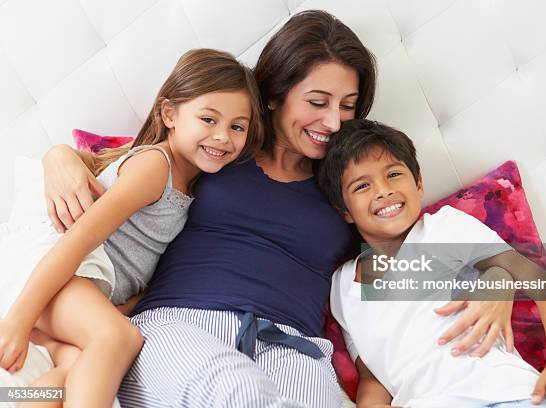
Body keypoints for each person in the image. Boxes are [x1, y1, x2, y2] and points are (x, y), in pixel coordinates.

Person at [40, 11, 521, 408]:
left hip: (293, 347)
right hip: (180, 324)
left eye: (349, 106)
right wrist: (58, 158)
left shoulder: (354, 186)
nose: (333, 122)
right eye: (317, 101)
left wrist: (501, 282)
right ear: (273, 95)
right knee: (239, 394)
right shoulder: (222, 144)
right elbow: (128, 160)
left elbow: (441, 258)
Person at [0, 48, 263, 408]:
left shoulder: (194, 188)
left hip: (82, 289)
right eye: (208, 119)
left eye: (237, 127)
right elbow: (81, 239)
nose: (222, 137)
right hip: (58, 272)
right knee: (119, 338)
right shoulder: (156, 167)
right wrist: (17, 319)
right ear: (170, 114)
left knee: (70, 371)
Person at [317, 119, 546, 408]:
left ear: (419, 183)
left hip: (504, 392)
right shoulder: (342, 286)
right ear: (344, 211)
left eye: (394, 174)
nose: (383, 191)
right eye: (362, 186)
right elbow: (373, 378)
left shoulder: (444, 228)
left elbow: (544, 283)